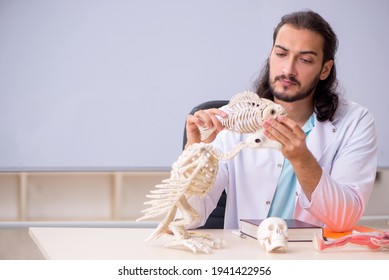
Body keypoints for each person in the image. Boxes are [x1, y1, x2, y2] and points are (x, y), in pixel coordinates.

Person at [184, 10, 378, 232]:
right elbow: (187, 218)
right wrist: (194, 155)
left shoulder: (355, 122)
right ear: (270, 55)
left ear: (324, 69)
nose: (288, 70)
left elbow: (344, 219)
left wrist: (302, 160)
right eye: (281, 54)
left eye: (304, 60)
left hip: (314, 259)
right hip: (247, 259)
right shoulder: (231, 119)